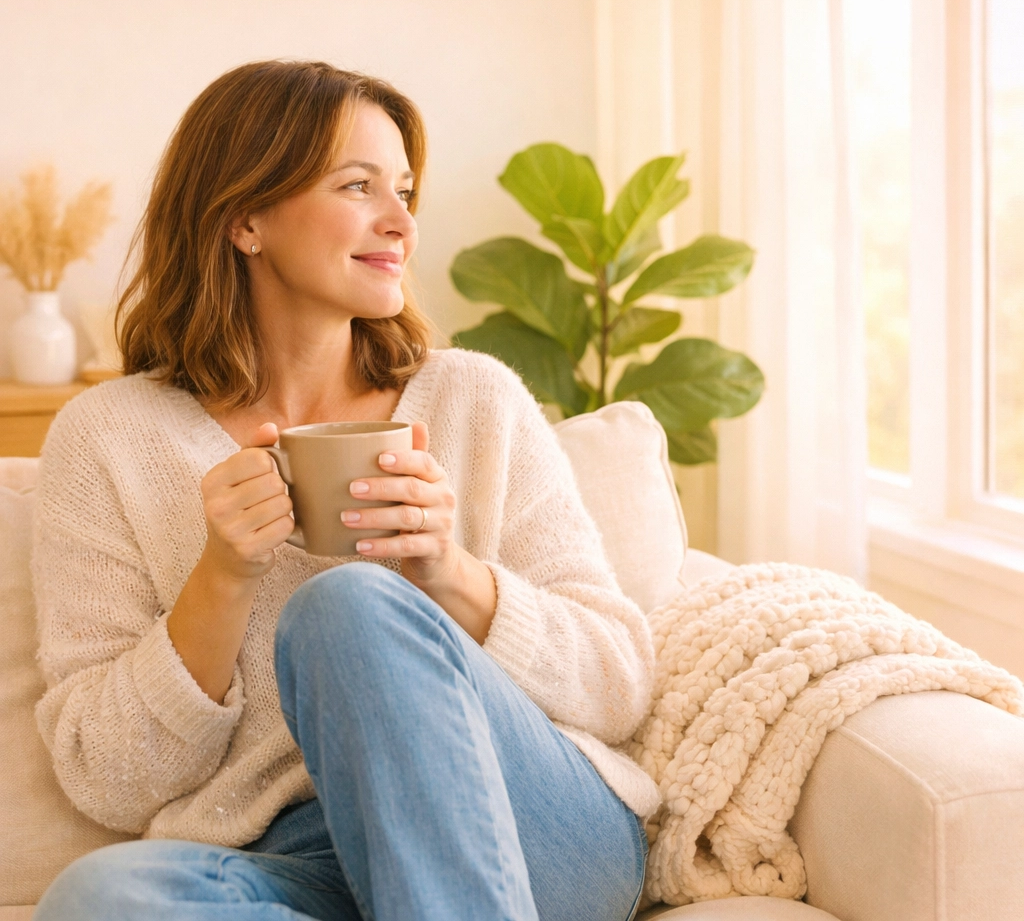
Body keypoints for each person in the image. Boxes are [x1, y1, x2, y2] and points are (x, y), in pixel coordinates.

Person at [31, 60, 658, 921]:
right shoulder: (107, 439)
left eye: (403, 190)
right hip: (308, 859)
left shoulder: (475, 400)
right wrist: (221, 575)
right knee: (104, 898)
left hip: (527, 827)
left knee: (348, 606)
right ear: (245, 218)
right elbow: (105, 775)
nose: (400, 221)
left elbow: (620, 679)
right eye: (358, 186)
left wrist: (449, 576)